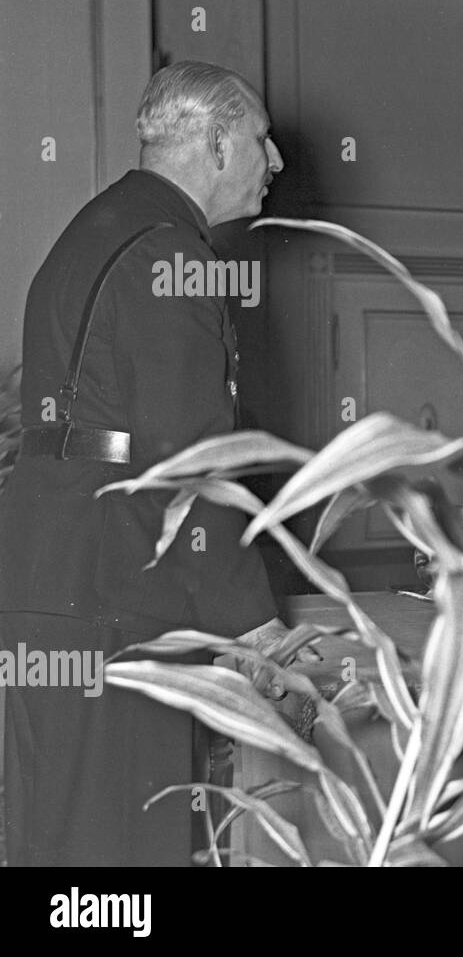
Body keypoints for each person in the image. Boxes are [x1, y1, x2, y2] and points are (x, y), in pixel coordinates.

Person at [0, 61, 303, 866]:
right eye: (261, 140)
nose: (274, 163)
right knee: (124, 855)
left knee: (57, 844)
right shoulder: (173, 256)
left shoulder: (92, 233)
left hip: (50, 587)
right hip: (120, 599)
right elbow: (190, 463)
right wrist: (256, 627)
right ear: (215, 144)